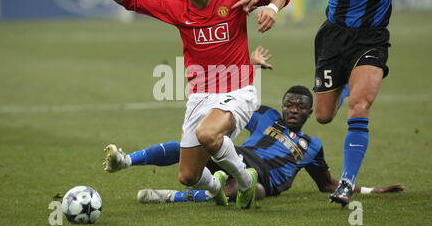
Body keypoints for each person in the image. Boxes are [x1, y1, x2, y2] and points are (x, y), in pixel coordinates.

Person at [232, 0, 431, 206]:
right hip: (333, 40)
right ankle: (352, 81)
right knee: (324, 115)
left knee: (359, 106)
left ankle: (346, 182)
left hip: (372, 39)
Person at [85, 0, 290, 209]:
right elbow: (135, 0)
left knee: (207, 133)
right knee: (188, 176)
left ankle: (246, 181)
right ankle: (216, 187)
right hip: (200, 96)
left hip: (239, 89)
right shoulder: (177, 8)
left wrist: (272, 8)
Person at [102, 85, 404, 204]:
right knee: (191, 145)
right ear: (283, 107)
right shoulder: (266, 116)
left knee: (248, 190)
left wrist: (370, 189)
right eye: (289, 105)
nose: (293, 110)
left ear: (310, 113)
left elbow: (327, 185)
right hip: (238, 157)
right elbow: (232, 104)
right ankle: (129, 160)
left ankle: (175, 197)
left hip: (267, 180)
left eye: (300, 107)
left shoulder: (313, 145)